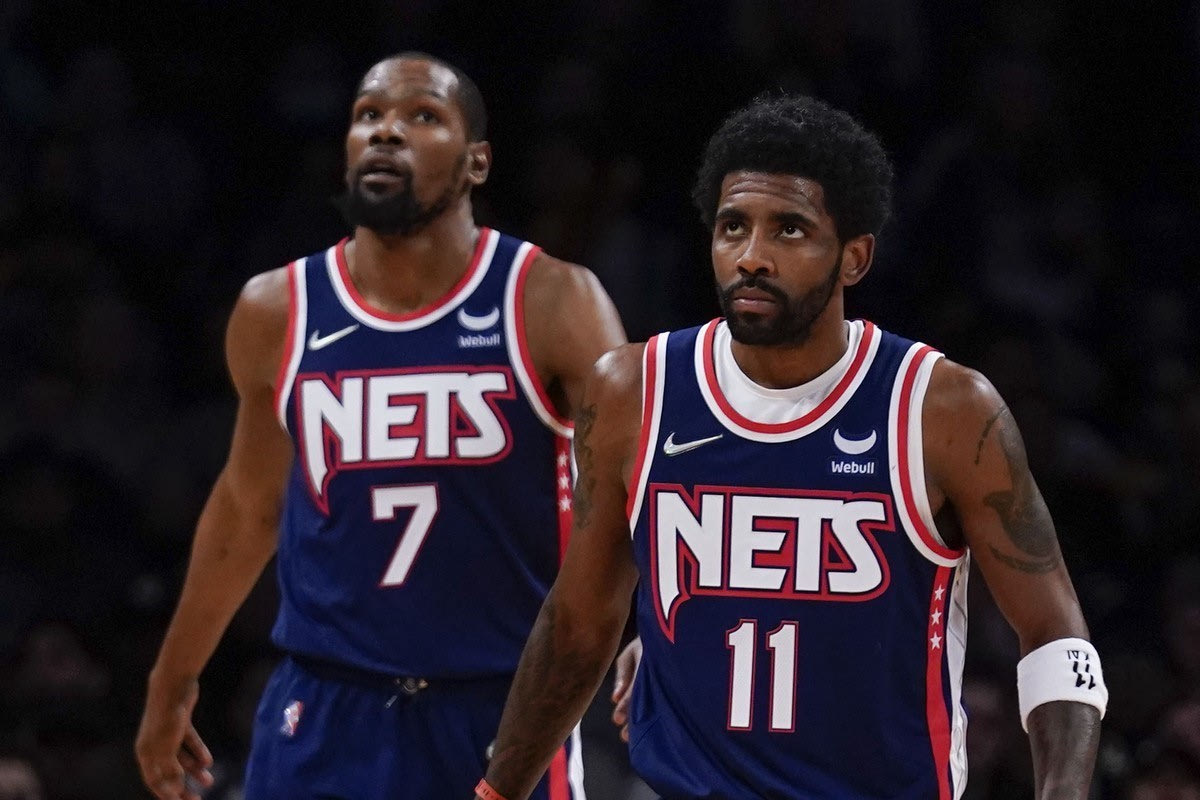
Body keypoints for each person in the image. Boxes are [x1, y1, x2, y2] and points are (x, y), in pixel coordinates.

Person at [475, 94, 1108, 800]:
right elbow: (577, 624)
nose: (751, 257)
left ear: (854, 257)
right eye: (733, 227)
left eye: (790, 230)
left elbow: (1055, 634)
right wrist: (497, 792)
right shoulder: (632, 391)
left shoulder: (944, 409)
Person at [134, 52, 626, 800]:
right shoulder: (277, 310)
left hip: (500, 707)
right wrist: (173, 678)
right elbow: (248, 506)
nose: (386, 132)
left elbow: (636, 495)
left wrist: (654, 643)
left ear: (477, 162)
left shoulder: (551, 301)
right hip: (326, 703)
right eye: (369, 115)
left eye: (422, 116)